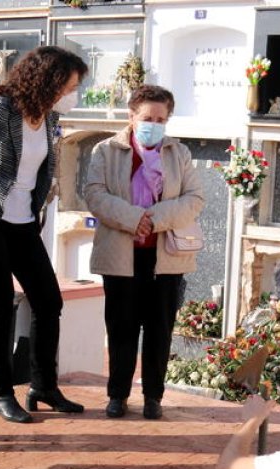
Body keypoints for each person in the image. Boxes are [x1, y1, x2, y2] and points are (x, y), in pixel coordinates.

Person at [0, 46, 88, 424]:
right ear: (47, 81)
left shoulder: (47, 118)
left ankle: (42, 386)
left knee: (48, 301)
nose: (73, 93)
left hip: (23, 223)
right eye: (69, 85)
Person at [84, 85, 203, 420]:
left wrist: (156, 220)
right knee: (121, 328)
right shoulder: (106, 151)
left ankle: (153, 396)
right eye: (148, 117)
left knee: (159, 329)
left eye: (161, 118)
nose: (154, 123)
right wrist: (134, 218)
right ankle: (117, 395)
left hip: (165, 256)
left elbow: (194, 198)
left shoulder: (178, 154)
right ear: (132, 116)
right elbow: (95, 193)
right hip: (121, 255)